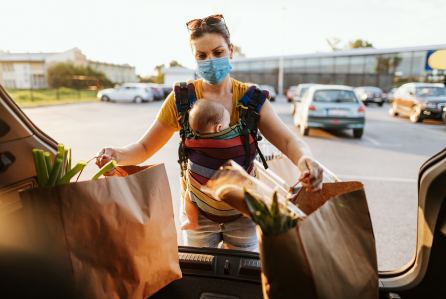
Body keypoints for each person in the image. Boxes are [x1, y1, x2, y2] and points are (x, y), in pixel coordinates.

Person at [96, 14, 323, 251]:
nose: (211, 61)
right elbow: (143, 148)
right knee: (203, 279)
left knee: (238, 281)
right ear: (194, 58)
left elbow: (287, 141)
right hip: (197, 214)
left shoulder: (252, 100)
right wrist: (117, 155)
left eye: (218, 52)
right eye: (201, 56)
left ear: (231, 50)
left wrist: (305, 159)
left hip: (245, 213)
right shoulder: (181, 100)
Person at [180, 99, 231, 231]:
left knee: (188, 196)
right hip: (225, 195)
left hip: (198, 191)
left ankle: (192, 222)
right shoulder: (228, 144)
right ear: (219, 128)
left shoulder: (192, 141)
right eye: (228, 125)